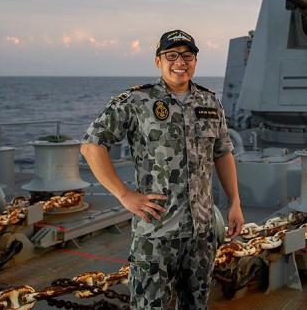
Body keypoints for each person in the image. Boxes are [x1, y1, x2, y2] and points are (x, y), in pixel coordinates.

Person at [81, 29, 244, 310]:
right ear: (158, 61)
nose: (180, 61)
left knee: (196, 304)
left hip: (201, 232)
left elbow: (223, 152)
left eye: (187, 55)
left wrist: (235, 202)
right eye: (171, 55)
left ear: (195, 61)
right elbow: (92, 146)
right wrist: (124, 195)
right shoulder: (135, 101)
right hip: (156, 234)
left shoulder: (209, 102)